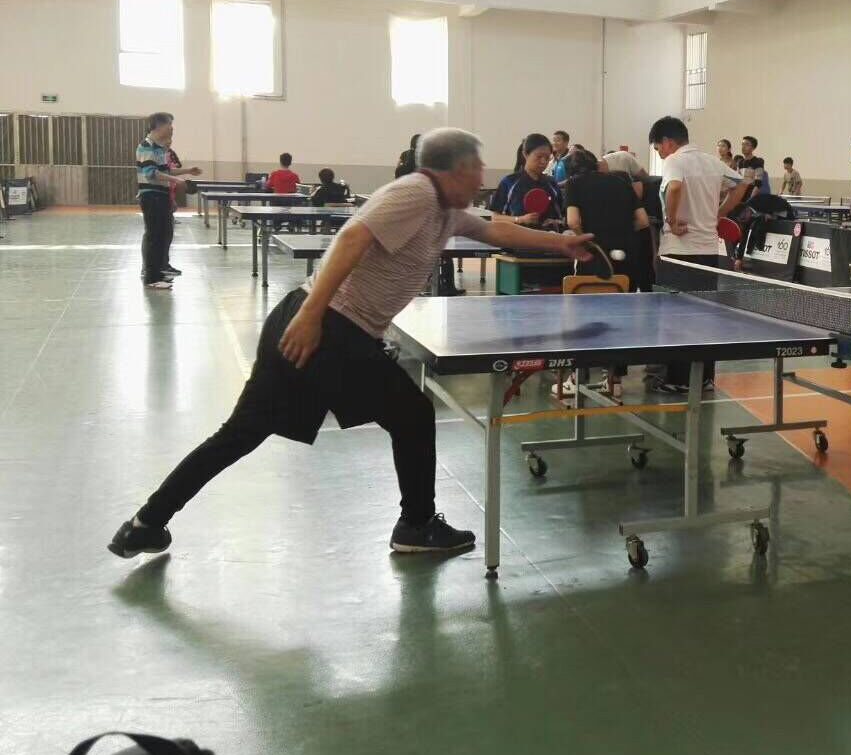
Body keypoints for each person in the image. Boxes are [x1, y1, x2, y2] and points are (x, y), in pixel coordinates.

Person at [107, 129, 595, 560]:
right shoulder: (416, 194)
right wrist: (311, 315)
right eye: (476, 167)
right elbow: (351, 239)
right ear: (454, 168)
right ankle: (417, 526)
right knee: (411, 414)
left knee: (242, 433)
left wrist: (561, 244)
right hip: (329, 328)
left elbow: (493, 229)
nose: (482, 176)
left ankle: (146, 523)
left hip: (323, 325)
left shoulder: (446, 210)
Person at [650, 115, 752, 393]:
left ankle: (678, 379)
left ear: (667, 142)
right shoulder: (711, 161)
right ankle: (705, 377)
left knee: (676, 317)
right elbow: (742, 184)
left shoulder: (675, 161)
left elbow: (674, 187)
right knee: (704, 316)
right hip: (708, 253)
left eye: (658, 148)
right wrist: (719, 213)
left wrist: (672, 221)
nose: (660, 154)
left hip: (678, 253)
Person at [564, 148, 654, 399]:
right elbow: (643, 221)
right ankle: (613, 380)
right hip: (628, 258)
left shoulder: (573, 184)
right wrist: (620, 234)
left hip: (594, 256)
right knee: (620, 318)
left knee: (584, 318)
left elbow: (573, 222)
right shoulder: (620, 182)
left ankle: (578, 376)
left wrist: (589, 239)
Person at [136, 113, 202, 290]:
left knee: (163, 236)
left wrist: (187, 171)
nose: (172, 129)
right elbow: (151, 173)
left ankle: (159, 272)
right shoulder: (147, 146)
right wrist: (176, 181)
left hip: (162, 196)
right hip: (152, 197)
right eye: (169, 125)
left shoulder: (159, 149)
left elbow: (165, 170)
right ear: (158, 126)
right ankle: (152, 278)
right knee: (154, 237)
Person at [488, 134, 564, 228]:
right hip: (516, 236)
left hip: (547, 236)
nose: (543, 161)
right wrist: (520, 219)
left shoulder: (552, 183)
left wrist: (555, 222)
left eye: (547, 158)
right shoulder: (509, 182)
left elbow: (562, 216)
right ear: (525, 154)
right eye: (539, 156)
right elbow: (495, 217)